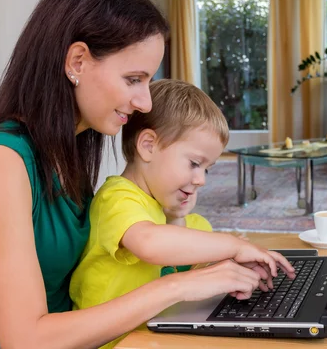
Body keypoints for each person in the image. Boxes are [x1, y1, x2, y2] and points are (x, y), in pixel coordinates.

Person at [0, 0, 293, 349]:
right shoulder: (2, 161)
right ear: (77, 62)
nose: (145, 101)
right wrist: (179, 286)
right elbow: (26, 339)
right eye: (133, 79)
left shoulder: (68, 153)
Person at [69, 79, 295, 348]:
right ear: (148, 146)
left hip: (157, 338)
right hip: (110, 343)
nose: (201, 180)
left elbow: (196, 273)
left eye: (207, 169)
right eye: (194, 164)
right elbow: (149, 243)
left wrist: (235, 272)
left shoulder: (186, 222)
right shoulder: (117, 197)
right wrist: (234, 246)